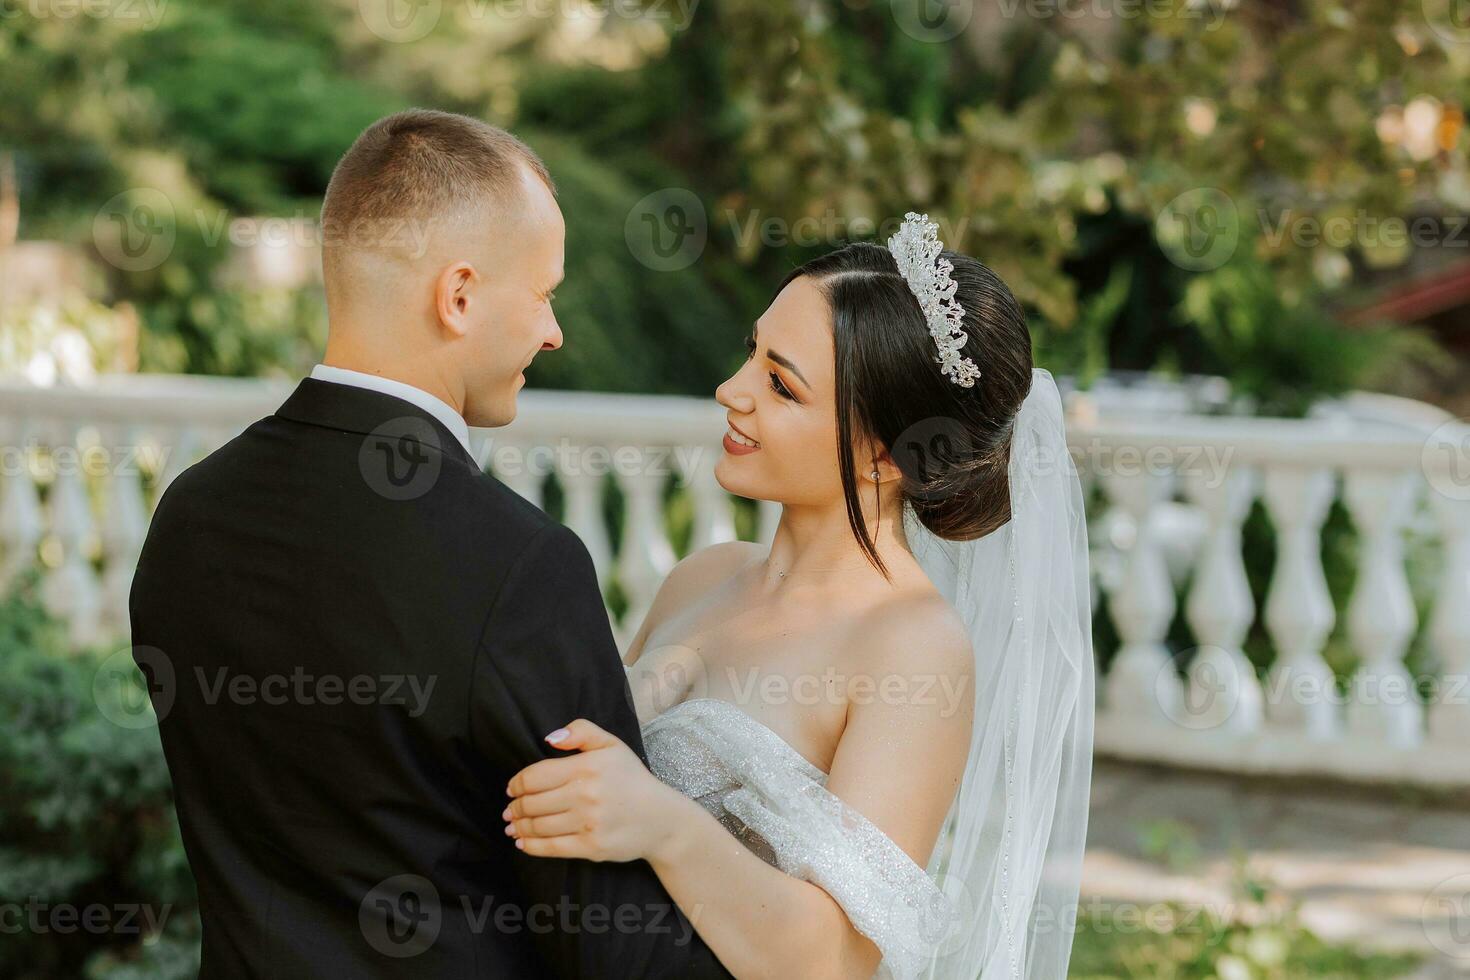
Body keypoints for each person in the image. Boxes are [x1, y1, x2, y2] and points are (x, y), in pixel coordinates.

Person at [129, 109, 734, 979]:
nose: (553, 331)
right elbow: (616, 947)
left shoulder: (189, 514)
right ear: (457, 296)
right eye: (543, 293)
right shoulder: (520, 566)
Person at [504, 215, 1096, 979]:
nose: (730, 391)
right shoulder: (704, 576)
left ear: (888, 455)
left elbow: (834, 959)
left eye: (781, 385)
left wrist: (664, 826)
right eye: (751, 355)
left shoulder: (913, 650)